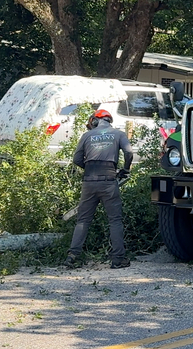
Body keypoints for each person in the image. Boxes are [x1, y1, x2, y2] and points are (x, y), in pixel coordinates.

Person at [65, 109, 133, 269]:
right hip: (109, 181)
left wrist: (89, 168)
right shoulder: (119, 134)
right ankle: (118, 259)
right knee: (115, 220)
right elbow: (129, 152)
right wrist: (126, 169)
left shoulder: (86, 136)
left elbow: (76, 159)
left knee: (83, 220)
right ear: (109, 120)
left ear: (95, 121)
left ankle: (72, 256)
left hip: (89, 182)